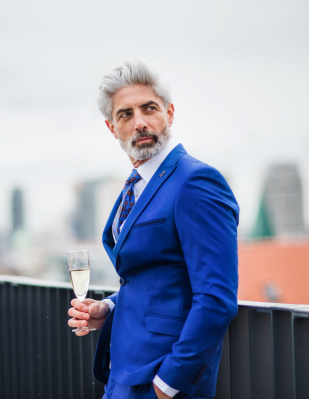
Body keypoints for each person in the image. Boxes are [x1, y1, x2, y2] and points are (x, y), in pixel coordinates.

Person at [68, 58, 239, 399]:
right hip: (122, 375)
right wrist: (111, 307)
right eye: (125, 114)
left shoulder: (195, 181)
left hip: (160, 381)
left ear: (170, 113)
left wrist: (169, 383)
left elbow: (217, 297)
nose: (140, 123)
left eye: (149, 108)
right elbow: (154, 275)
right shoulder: (136, 185)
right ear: (111, 127)